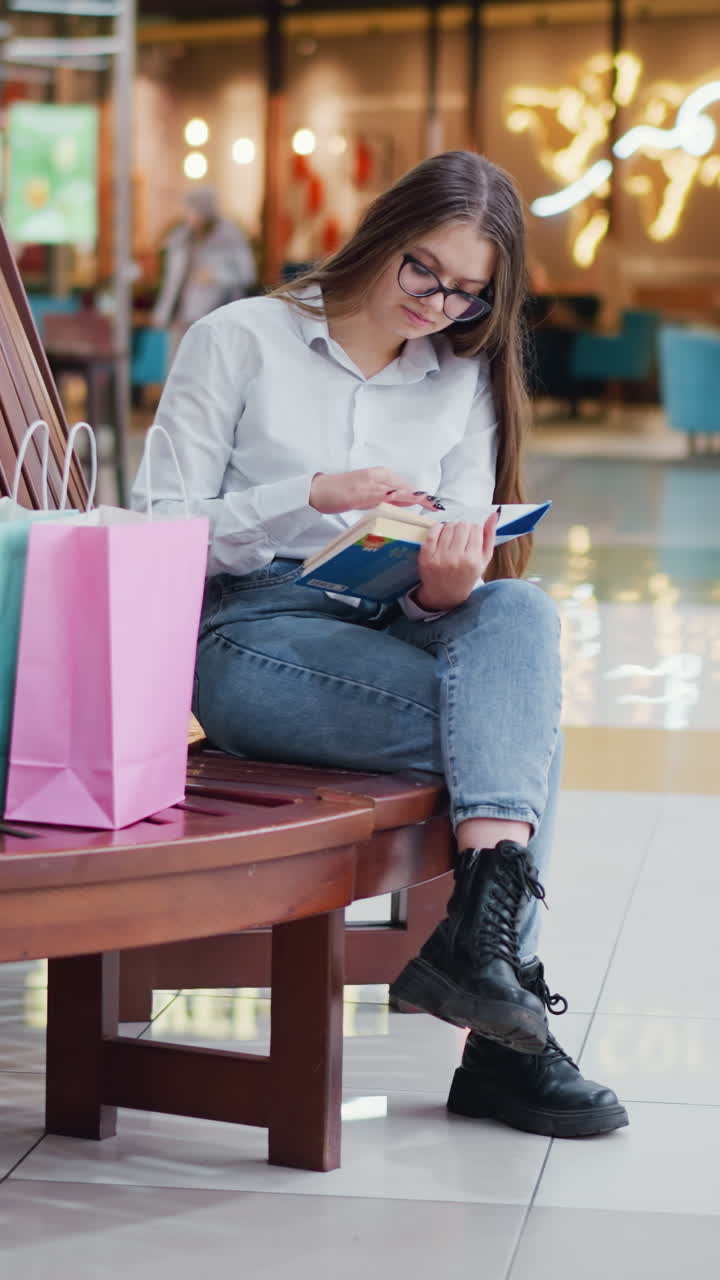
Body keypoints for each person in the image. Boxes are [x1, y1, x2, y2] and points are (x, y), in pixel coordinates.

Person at [132, 150, 628, 1140]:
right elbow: (157, 526)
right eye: (425, 272)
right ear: (384, 234)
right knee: (520, 742)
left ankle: (482, 960)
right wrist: (306, 495)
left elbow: (468, 537)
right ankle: (502, 1032)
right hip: (251, 631)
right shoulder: (240, 338)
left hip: (392, 617)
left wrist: (450, 585)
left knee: (518, 618)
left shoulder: (459, 376)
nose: (439, 304)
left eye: (467, 292)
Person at [152, 187, 257, 362]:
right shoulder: (182, 237)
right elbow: (171, 282)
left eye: (192, 210)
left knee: (206, 367)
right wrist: (162, 313)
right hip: (181, 318)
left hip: (214, 317)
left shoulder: (229, 236)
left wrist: (216, 275)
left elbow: (247, 274)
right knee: (178, 367)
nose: (188, 215)